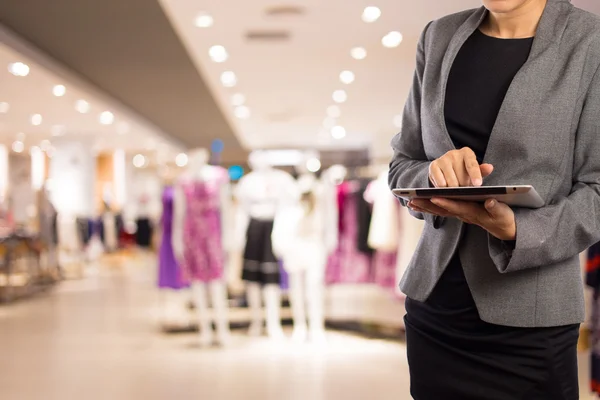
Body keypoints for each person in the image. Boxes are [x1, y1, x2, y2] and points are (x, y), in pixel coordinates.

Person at [388, 0, 600, 398]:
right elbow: (402, 163)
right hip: (437, 311)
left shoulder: (590, 42)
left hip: (531, 322)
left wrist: (518, 229)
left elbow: (597, 191)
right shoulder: (439, 36)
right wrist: (432, 173)